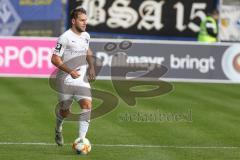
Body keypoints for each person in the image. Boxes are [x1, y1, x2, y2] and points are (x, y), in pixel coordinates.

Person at [51, 7, 95, 146]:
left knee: (87, 104)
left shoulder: (86, 36)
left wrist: (92, 67)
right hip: (65, 79)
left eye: (85, 20)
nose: (84, 23)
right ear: (73, 21)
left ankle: (81, 140)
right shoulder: (65, 38)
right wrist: (70, 71)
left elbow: (87, 50)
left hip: (81, 78)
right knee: (65, 110)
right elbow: (55, 59)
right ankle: (58, 128)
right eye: (82, 20)